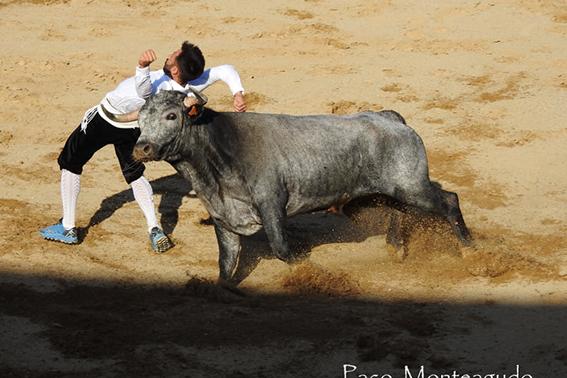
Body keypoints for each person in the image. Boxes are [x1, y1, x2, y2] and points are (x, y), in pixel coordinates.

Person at [39, 41, 247, 253]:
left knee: (70, 162)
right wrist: (237, 93)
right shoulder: (190, 83)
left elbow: (144, 92)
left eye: (173, 55)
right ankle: (154, 228)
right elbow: (225, 70)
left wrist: (142, 66)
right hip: (133, 129)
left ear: (175, 69)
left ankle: (68, 227)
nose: (169, 55)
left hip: (104, 120)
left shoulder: (159, 88)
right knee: (134, 173)